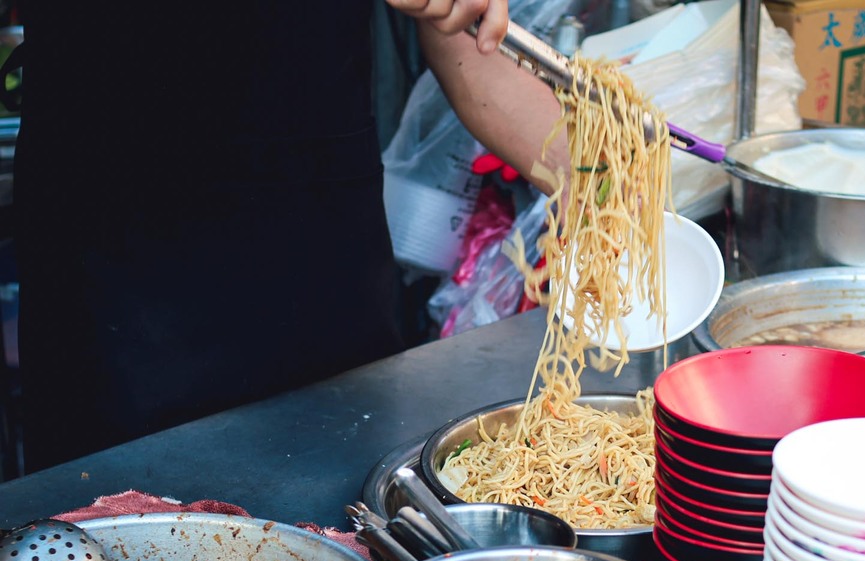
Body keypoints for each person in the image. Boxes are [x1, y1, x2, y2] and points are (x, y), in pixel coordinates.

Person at [13, 0, 565, 473]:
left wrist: (610, 176)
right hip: (114, 233)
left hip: (315, 226)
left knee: (345, 510)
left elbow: (467, 43)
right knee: (115, 538)